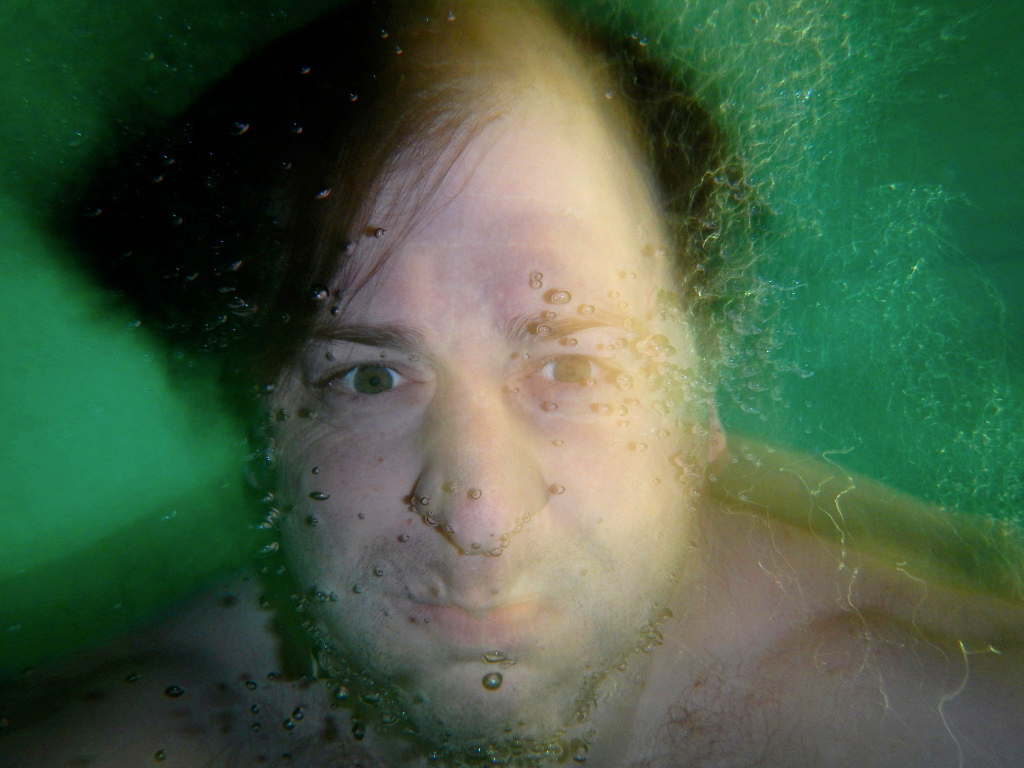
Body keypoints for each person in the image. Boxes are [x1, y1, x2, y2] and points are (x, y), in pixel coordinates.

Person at [2, 1, 1022, 766]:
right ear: (260, 428)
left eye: (570, 366)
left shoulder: (942, 699)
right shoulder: (130, 725)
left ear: (700, 409)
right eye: (369, 377)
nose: (479, 514)